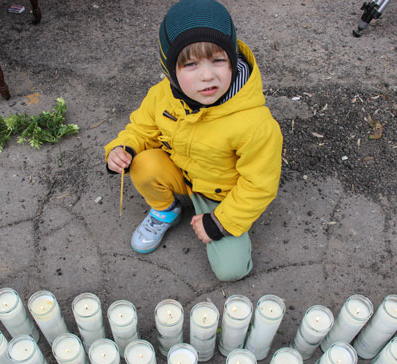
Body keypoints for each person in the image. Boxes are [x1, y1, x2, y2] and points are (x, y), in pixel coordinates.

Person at [104, 0, 282, 281]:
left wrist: (221, 222)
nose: (207, 75)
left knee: (231, 271)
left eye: (218, 60)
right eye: (190, 64)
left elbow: (259, 184)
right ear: (169, 69)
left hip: (221, 197)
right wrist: (122, 148)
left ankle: (213, 218)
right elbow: (140, 129)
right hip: (181, 174)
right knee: (142, 163)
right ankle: (166, 210)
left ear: (233, 59)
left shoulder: (256, 124)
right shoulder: (162, 94)